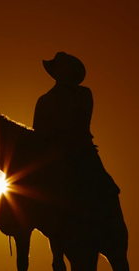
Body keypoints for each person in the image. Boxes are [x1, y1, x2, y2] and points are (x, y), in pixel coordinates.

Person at [33, 52, 119, 207]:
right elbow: (37, 130)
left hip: (79, 148)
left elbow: (81, 121)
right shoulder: (44, 100)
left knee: (104, 186)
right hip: (50, 150)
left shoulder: (83, 93)